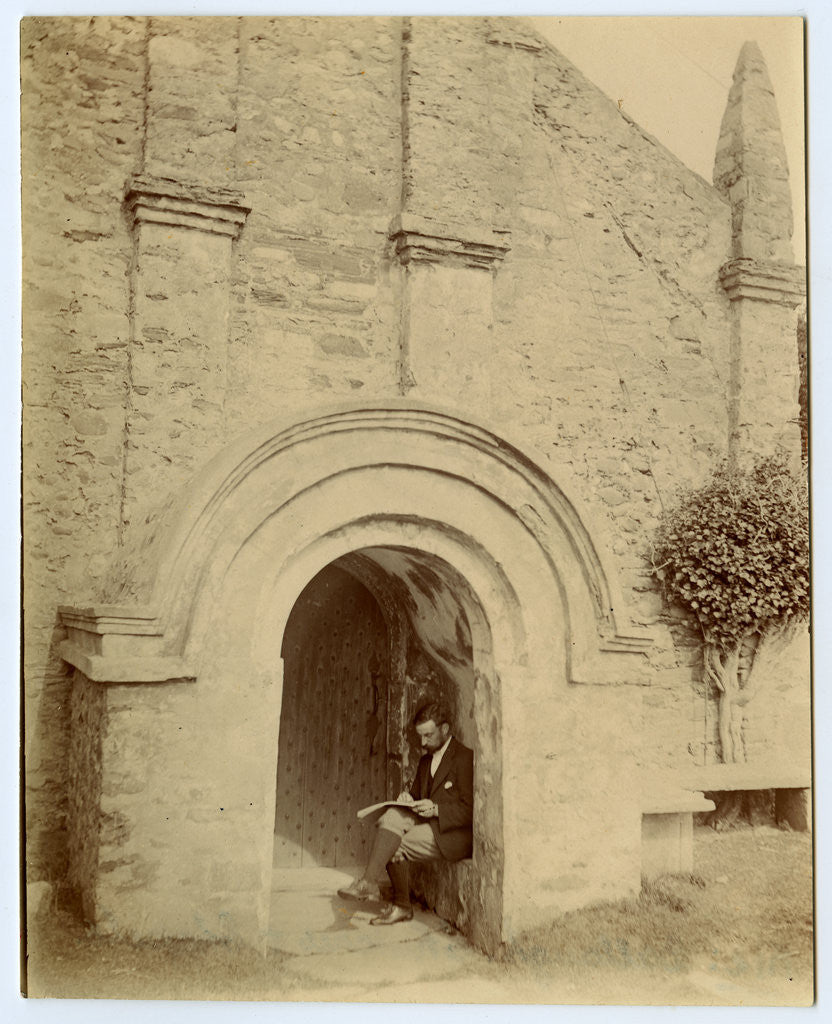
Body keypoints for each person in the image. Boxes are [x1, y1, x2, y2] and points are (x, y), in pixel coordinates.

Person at [337, 700, 474, 925]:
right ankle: (368, 883)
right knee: (390, 817)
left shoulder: (464, 759)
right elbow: (418, 796)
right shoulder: (425, 760)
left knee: (393, 843)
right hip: (429, 825)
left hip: (452, 835)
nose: (423, 742)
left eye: (428, 735)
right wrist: (408, 799)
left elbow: (470, 812)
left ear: (445, 729)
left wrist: (437, 809)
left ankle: (400, 905)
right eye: (420, 736)